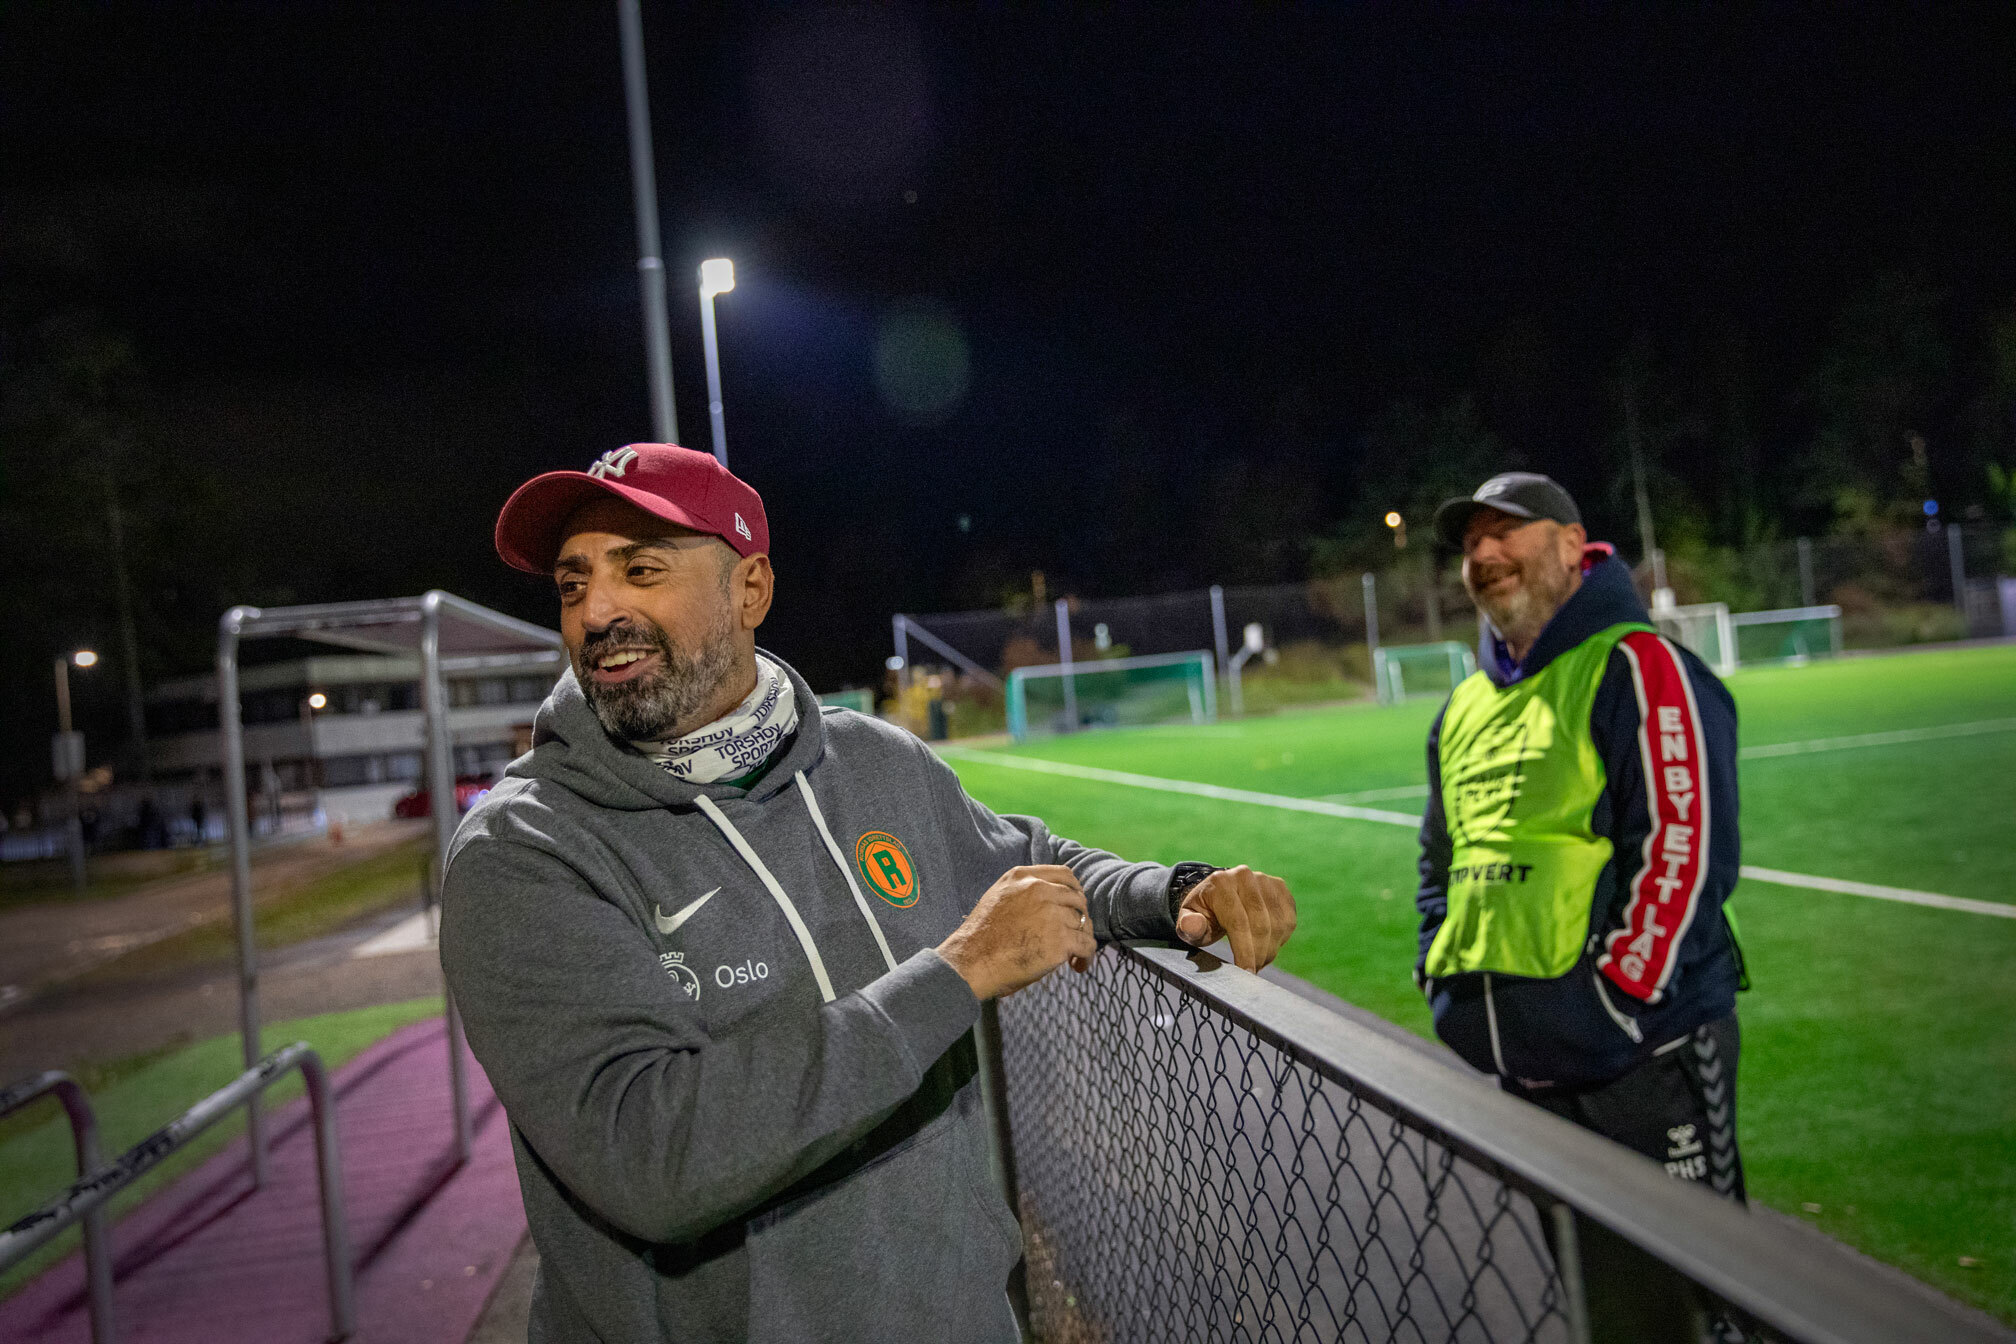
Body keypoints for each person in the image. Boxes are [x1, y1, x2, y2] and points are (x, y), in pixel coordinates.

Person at [441, 443, 1297, 1344]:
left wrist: (1173, 894)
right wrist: (956, 973)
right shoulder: (523, 850)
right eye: (573, 586)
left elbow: (1029, 861)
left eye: (641, 570)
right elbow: (652, 1157)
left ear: (751, 590)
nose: (598, 611)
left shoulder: (875, 763)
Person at [1414, 472, 1747, 1198]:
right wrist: (1438, 967)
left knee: (1693, 1299)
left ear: (1571, 545)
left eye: (1505, 531)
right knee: (1595, 1296)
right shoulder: (1464, 705)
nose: (1484, 553)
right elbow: (1441, 856)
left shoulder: (1639, 666)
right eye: (1471, 543)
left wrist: (1616, 1002)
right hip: (1523, 1068)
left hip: (1646, 1059)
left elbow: (1683, 852)